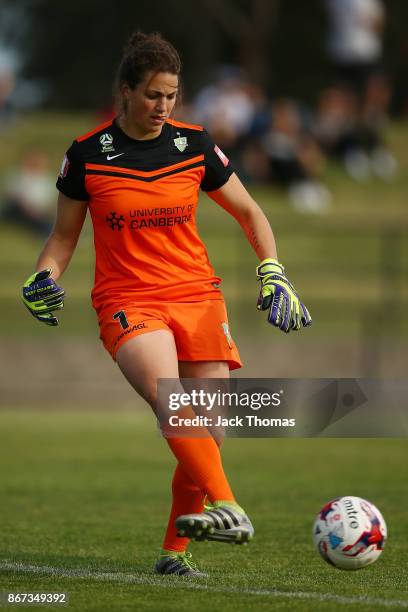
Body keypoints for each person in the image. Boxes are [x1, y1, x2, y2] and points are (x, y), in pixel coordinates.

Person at [21, 31, 311, 578]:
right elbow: (62, 238)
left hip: (197, 296)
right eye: (153, 95)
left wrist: (271, 268)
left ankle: (174, 556)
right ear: (126, 91)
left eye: (171, 96)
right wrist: (43, 275)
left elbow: (250, 212)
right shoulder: (86, 155)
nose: (162, 107)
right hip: (127, 299)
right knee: (171, 400)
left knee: (210, 430)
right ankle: (229, 506)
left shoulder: (195, 145)